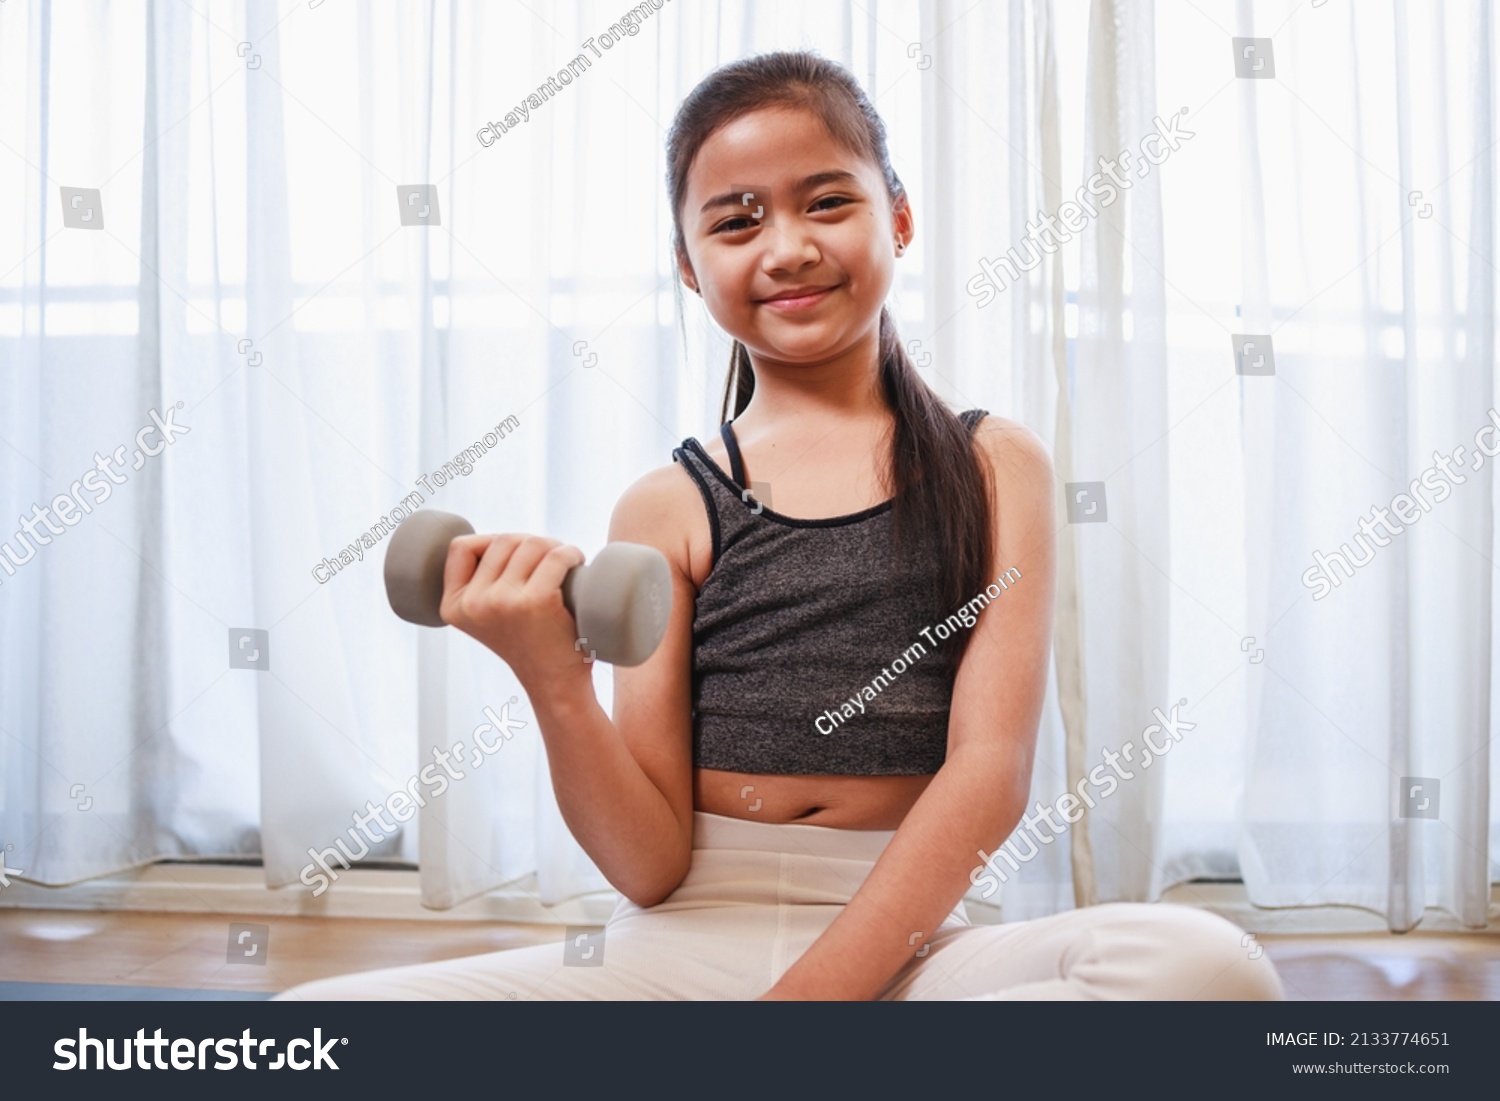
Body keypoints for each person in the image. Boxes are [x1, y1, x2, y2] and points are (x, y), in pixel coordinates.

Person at [277, 49, 1282, 1001]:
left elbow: (989, 776)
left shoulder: (992, 464)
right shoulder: (666, 505)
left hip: (913, 947)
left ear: (898, 218)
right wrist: (552, 677)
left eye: (828, 202)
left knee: (1205, 967)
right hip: (682, 947)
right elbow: (648, 865)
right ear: (688, 265)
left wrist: (803, 1010)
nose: (788, 247)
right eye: (736, 221)